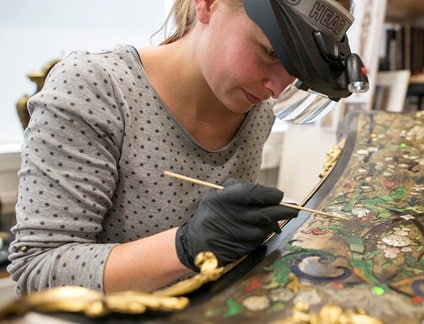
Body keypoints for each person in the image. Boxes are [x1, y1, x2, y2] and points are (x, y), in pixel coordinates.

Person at [8, 0, 359, 296]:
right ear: (206, 4)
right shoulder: (96, 88)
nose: (276, 87)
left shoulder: (256, 109)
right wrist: (186, 246)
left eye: (296, 70)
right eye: (269, 52)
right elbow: (37, 274)